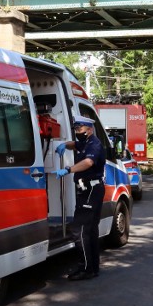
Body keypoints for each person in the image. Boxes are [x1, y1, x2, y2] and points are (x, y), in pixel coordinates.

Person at [53, 115, 106, 280]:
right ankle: (92, 268)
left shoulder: (95, 145)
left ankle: (85, 269)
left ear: (89, 129)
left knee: (79, 230)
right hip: (88, 190)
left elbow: (88, 162)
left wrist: (68, 170)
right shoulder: (86, 142)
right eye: (75, 129)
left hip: (91, 190)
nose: (77, 132)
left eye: (79, 129)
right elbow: (74, 144)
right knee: (90, 230)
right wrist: (64, 145)